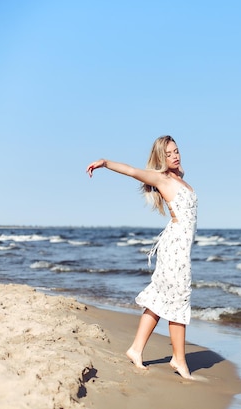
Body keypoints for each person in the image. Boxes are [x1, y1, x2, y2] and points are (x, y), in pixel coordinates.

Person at [86, 135, 203, 381]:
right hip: (174, 248)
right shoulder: (161, 178)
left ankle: (136, 349)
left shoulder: (178, 178)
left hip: (180, 247)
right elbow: (131, 171)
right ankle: (178, 359)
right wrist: (105, 162)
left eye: (177, 151)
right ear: (161, 157)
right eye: (169, 153)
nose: (175, 156)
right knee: (178, 298)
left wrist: (177, 170)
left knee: (163, 297)